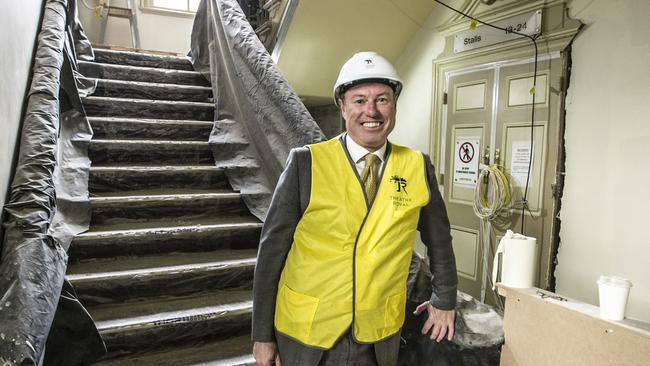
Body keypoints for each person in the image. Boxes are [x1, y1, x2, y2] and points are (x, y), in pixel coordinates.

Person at [252, 51, 457, 366]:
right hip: (307, 330)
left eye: (382, 100)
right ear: (342, 106)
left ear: (394, 105)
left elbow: (439, 241)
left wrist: (444, 299)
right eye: (359, 100)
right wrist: (262, 335)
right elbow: (271, 253)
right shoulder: (306, 163)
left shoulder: (417, 166)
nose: (371, 111)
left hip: (376, 332)